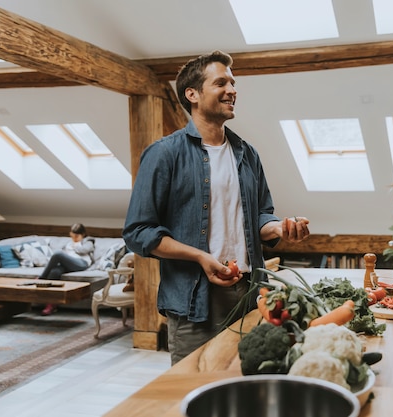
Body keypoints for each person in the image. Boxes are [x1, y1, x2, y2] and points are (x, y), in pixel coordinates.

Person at [123, 50, 310, 364]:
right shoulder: (164, 154)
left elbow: (262, 214)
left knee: (247, 384)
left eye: (233, 83)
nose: (232, 90)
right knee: (195, 390)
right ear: (192, 94)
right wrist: (199, 256)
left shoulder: (247, 154)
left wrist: (280, 228)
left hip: (252, 295)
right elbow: (138, 232)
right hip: (194, 299)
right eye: (221, 82)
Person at [39, 223, 95, 315]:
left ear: (83, 234)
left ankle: (41, 278)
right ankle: (51, 305)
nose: (75, 238)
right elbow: (63, 254)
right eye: (73, 235)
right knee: (55, 272)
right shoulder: (68, 243)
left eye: (77, 235)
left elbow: (85, 250)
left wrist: (75, 246)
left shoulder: (88, 241)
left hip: (81, 263)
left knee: (58, 254)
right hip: (67, 265)